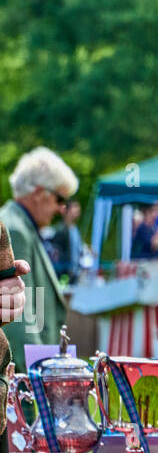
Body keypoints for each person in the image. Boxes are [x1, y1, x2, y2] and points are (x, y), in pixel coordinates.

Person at [0, 146, 77, 369]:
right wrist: (40, 376)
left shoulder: (21, 226)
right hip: (23, 381)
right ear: (38, 192)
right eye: (60, 199)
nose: (62, 209)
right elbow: (18, 317)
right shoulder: (15, 230)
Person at [49, 199, 85, 281]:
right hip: (62, 273)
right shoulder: (60, 230)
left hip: (74, 272)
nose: (78, 210)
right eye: (75, 207)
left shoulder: (75, 230)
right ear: (66, 210)